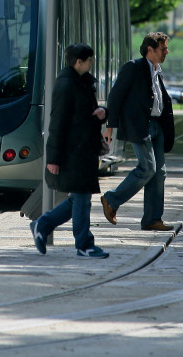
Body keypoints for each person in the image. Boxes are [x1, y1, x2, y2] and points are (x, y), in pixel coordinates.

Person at [31, 44, 110, 258]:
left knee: (79, 197)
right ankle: (84, 244)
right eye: (89, 60)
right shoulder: (66, 85)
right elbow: (57, 123)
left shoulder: (82, 81)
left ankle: (43, 224)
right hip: (73, 150)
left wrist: (103, 112)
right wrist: (53, 158)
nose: (91, 64)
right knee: (82, 197)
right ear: (79, 62)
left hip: (84, 148)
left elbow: (84, 112)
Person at [100, 31, 176, 231]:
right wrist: (110, 126)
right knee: (147, 168)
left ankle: (152, 219)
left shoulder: (156, 69)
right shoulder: (133, 67)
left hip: (157, 125)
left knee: (159, 173)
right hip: (139, 125)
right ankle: (111, 200)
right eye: (163, 48)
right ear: (150, 50)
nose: (167, 52)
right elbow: (115, 96)